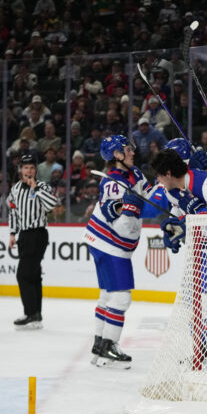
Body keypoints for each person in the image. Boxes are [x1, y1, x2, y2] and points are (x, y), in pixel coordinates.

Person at [82, 135, 149, 369]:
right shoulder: (111, 182)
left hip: (104, 242)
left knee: (107, 295)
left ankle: (99, 345)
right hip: (109, 243)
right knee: (121, 298)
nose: (132, 152)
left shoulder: (135, 173)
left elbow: (151, 195)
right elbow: (114, 215)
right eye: (127, 150)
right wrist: (127, 206)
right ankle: (109, 347)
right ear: (117, 155)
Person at [8, 154, 56, 330]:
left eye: (32, 168)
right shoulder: (15, 189)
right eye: (26, 167)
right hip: (24, 235)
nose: (29, 171)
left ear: (36, 170)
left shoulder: (42, 186)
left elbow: (51, 205)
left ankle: (30, 313)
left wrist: (35, 188)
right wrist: (12, 233)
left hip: (38, 234)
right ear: (21, 169)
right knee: (33, 275)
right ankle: (36, 314)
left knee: (23, 275)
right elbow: (13, 212)